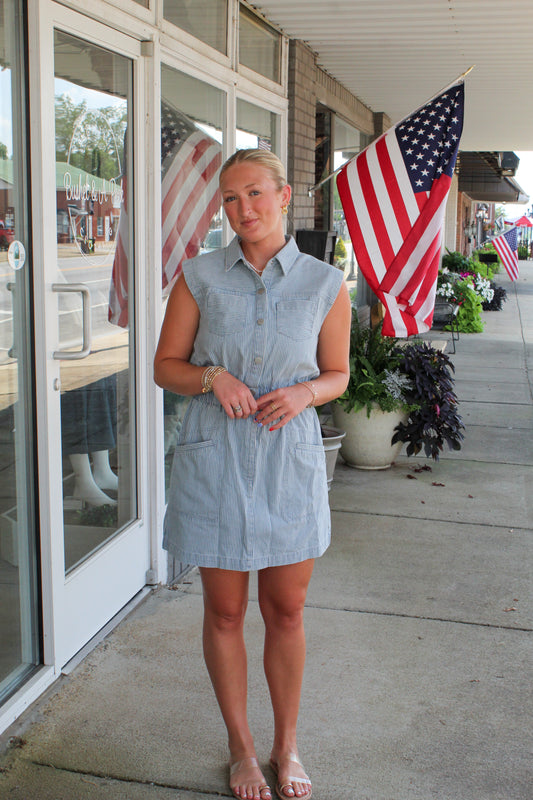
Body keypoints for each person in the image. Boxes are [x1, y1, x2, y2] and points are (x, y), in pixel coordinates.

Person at [154, 149, 351, 800]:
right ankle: (241, 749)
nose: (243, 210)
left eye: (255, 194)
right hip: (216, 457)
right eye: (231, 199)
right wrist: (213, 376)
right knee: (225, 611)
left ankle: (285, 747)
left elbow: (336, 373)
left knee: (286, 610)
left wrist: (305, 395)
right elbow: (166, 366)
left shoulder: (324, 283)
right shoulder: (199, 276)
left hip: (286, 459)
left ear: (284, 194)